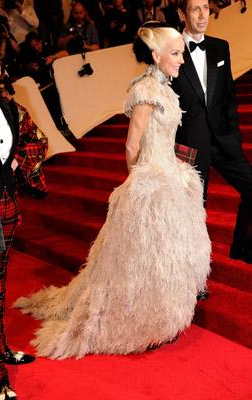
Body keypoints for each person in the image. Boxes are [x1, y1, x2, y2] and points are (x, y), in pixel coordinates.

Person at [14, 23, 210, 359]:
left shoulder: (166, 88)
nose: (181, 59)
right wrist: (138, 178)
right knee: (140, 261)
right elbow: (132, 144)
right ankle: (142, 320)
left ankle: (162, 318)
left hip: (173, 179)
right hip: (152, 183)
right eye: (175, 53)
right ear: (155, 55)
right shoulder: (147, 89)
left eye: (181, 52)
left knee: (165, 259)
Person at [172, 0, 252, 268]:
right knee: (194, 211)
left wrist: (233, 131)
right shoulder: (171, 51)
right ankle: (194, 278)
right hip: (191, 145)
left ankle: (242, 246)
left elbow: (228, 95)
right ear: (182, 14)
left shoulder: (220, 46)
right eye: (195, 8)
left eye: (205, 7)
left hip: (223, 140)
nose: (202, 14)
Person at [0, 46, 35, 400]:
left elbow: (37, 140)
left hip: (6, 203)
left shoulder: (11, 108)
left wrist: (18, 163)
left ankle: (0, 347)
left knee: (0, 287)